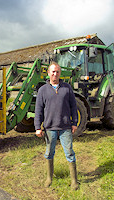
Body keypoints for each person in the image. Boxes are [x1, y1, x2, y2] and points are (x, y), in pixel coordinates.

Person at [34, 61, 79, 190]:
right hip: (50, 128)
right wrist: (38, 127)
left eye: (57, 72)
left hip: (65, 128)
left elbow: (73, 106)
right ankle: (49, 178)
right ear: (48, 73)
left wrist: (74, 123)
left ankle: (74, 181)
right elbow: (38, 110)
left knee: (70, 153)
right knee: (49, 153)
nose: (55, 74)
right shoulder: (43, 90)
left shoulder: (67, 88)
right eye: (53, 71)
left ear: (60, 74)